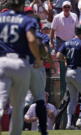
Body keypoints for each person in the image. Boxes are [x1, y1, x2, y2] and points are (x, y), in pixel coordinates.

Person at [0, 0, 43, 135]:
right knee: (17, 106)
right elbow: (31, 40)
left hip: (2, 62)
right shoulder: (25, 19)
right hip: (19, 63)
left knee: (1, 101)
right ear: (22, 5)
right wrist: (37, 58)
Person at [56, 24, 81, 129]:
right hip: (78, 71)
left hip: (68, 72)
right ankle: (80, 119)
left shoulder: (67, 42)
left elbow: (58, 56)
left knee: (73, 99)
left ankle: (69, 124)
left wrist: (67, 61)